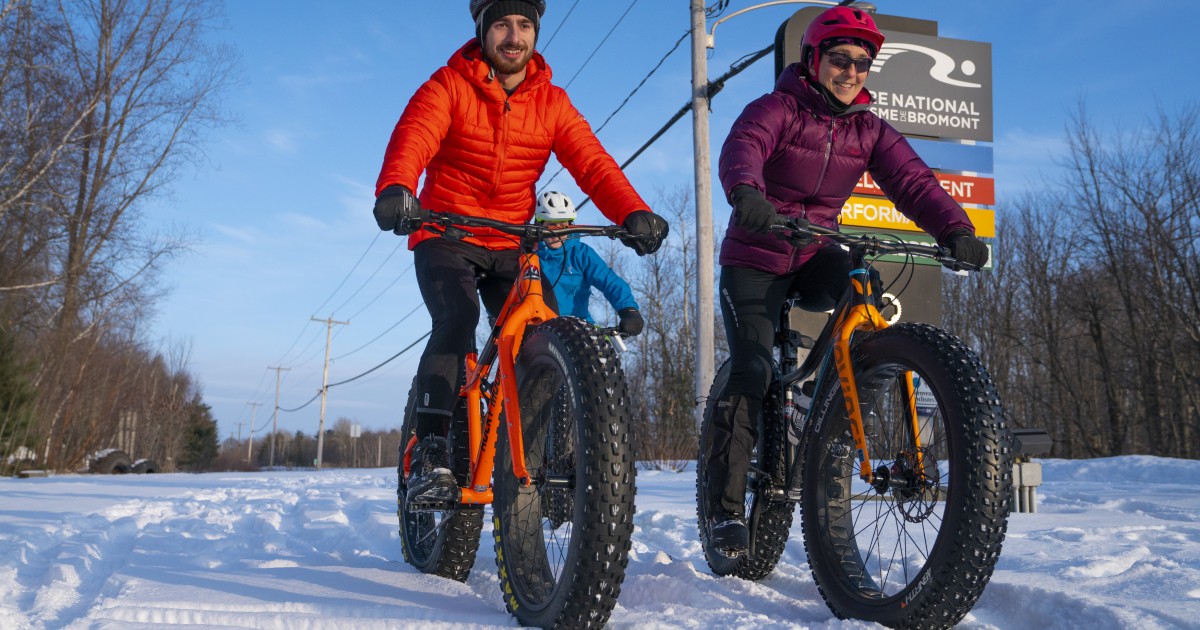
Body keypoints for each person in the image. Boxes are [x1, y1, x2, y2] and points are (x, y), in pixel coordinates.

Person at [703, 6, 989, 554]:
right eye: (840, 59)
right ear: (814, 59)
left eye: (862, 62)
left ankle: (837, 400)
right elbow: (744, 148)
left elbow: (912, 181)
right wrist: (747, 193)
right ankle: (724, 513)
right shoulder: (777, 108)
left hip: (812, 253)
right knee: (751, 370)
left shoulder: (869, 129)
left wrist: (955, 230)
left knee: (865, 289)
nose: (851, 71)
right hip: (755, 256)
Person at [372, 0, 668, 506]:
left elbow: (593, 163)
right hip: (445, 232)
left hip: (510, 239)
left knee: (543, 330)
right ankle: (433, 451)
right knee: (458, 316)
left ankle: (535, 449)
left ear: (535, 32)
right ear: (483, 31)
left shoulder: (551, 102)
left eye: (524, 25)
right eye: (503, 24)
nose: (514, 37)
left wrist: (631, 212)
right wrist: (397, 187)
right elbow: (413, 139)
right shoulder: (447, 86)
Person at [534, 191, 645, 337]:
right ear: (539, 225)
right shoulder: (528, 255)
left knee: (602, 355)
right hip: (538, 330)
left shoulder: (581, 253)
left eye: (563, 225)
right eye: (551, 226)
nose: (557, 232)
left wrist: (629, 310)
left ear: (571, 225)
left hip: (577, 328)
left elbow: (609, 281)